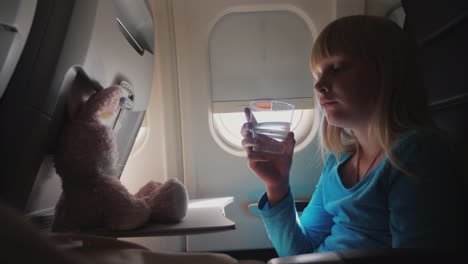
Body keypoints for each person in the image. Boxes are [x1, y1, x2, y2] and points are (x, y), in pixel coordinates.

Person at [241, 15, 466, 257]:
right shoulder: (339, 160)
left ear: (385, 72)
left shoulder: (416, 154)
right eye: (317, 76)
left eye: (335, 69)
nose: (319, 87)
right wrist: (277, 184)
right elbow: (297, 252)